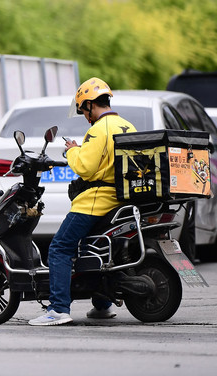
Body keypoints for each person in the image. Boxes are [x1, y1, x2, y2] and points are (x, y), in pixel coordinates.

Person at [29, 77, 137, 326]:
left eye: (84, 109)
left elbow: (86, 168)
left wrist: (71, 151)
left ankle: (58, 309)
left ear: (90, 105)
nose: (84, 115)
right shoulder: (127, 126)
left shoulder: (98, 129)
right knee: (95, 249)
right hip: (120, 201)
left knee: (59, 248)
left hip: (96, 201)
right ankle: (102, 305)